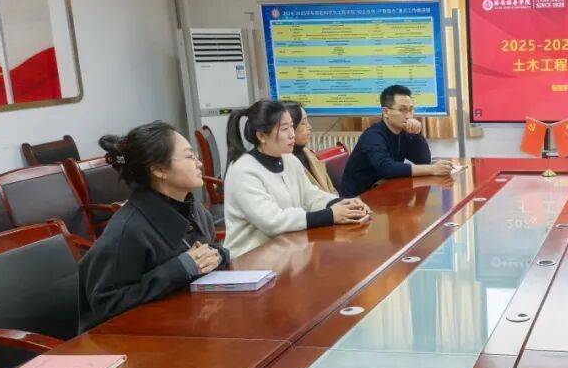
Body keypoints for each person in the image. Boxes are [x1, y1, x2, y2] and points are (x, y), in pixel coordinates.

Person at [78, 122, 229, 331]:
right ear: (159, 170)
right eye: (189, 157)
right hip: (132, 337)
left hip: (184, 321)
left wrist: (217, 255)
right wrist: (179, 269)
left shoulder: (194, 208)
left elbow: (207, 253)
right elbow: (106, 304)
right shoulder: (128, 230)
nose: (200, 163)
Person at [223, 100, 370, 258]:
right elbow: (273, 221)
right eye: (284, 129)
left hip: (288, 251)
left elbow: (310, 195)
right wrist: (331, 215)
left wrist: (342, 203)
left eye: (292, 126)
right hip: (251, 259)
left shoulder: (289, 160)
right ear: (261, 136)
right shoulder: (242, 170)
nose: (292, 134)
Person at [339, 84, 453, 198]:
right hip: (358, 198)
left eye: (411, 109)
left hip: (383, 192)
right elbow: (387, 168)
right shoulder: (373, 136)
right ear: (386, 112)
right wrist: (433, 169)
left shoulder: (403, 131)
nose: (409, 116)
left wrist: (417, 134)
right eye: (402, 110)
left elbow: (424, 160)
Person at [281, 100, 338, 195]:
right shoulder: (282, 164)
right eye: (303, 123)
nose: (310, 127)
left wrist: (343, 202)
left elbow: (331, 190)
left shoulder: (310, 155)